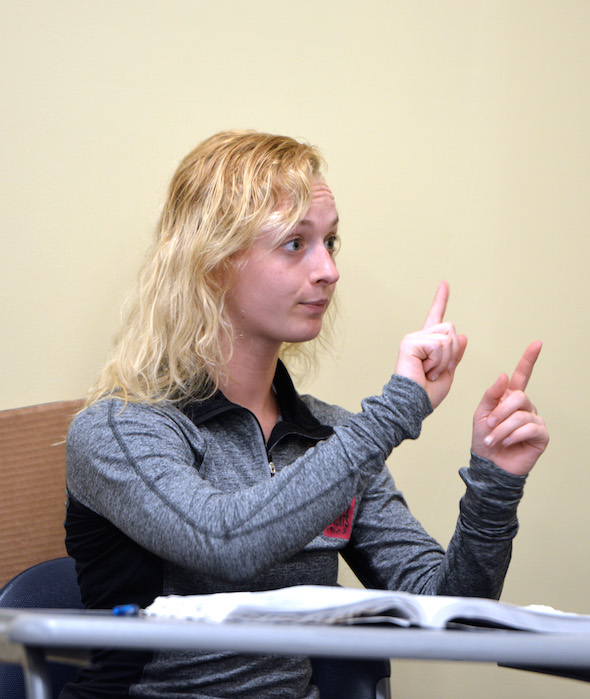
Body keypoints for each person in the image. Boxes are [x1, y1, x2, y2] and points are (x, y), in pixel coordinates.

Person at [61, 130, 549, 698]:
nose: (328, 270)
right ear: (213, 262)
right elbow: (225, 541)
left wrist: (494, 483)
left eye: (330, 242)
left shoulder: (333, 438)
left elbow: (450, 617)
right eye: (295, 243)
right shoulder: (119, 428)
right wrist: (397, 410)